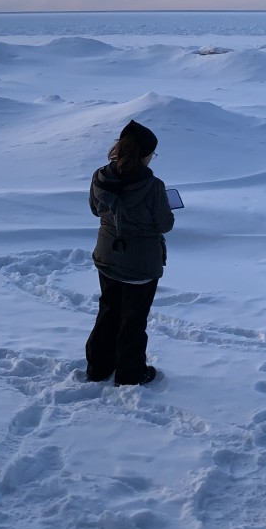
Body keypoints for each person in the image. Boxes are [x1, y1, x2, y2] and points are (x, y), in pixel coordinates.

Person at [86, 119, 175, 386]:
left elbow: (95, 209)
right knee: (133, 321)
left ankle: (98, 368)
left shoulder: (101, 176)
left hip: (107, 257)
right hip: (141, 264)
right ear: (145, 154)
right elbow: (164, 224)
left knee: (108, 311)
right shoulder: (153, 186)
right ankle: (130, 374)